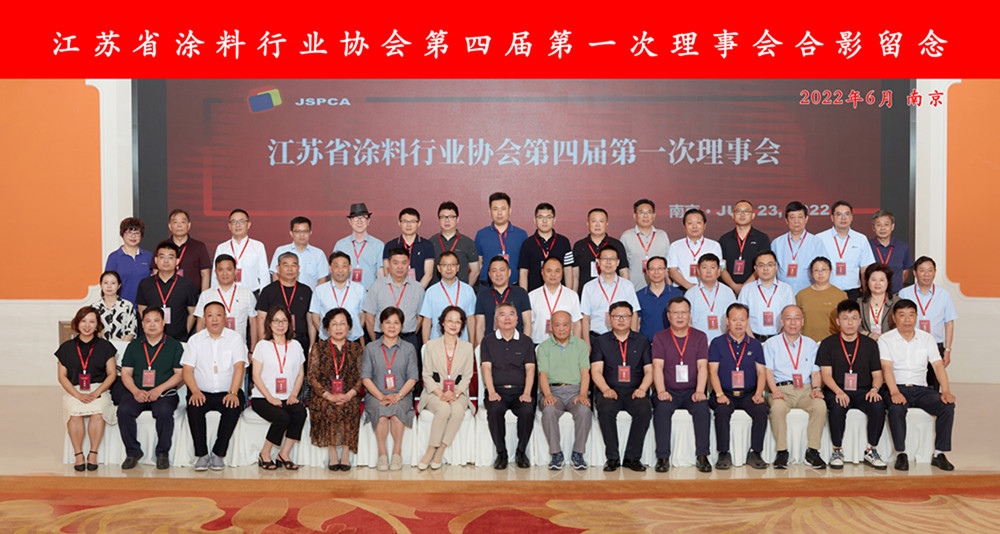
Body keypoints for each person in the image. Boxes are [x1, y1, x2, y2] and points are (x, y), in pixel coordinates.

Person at [878, 299, 957, 471]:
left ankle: (939, 453)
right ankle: (901, 453)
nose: (907, 319)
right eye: (902, 315)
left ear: (916, 317)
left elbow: (938, 365)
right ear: (894, 318)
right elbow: (886, 367)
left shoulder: (927, 338)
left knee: (947, 406)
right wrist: (894, 392)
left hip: (921, 389)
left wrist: (946, 391)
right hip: (896, 387)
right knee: (896, 408)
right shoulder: (885, 339)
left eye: (911, 315)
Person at [817, 300, 887, 470]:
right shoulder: (828, 344)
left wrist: (874, 389)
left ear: (860, 321)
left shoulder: (870, 344)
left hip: (864, 390)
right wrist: (838, 392)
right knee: (837, 405)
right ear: (838, 321)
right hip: (837, 389)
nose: (850, 323)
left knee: (877, 404)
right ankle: (837, 451)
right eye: (845, 318)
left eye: (854, 318)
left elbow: (878, 375)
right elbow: (826, 375)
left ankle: (871, 450)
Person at [181, 302, 247, 471]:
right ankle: (202, 454)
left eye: (218, 315)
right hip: (201, 392)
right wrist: (195, 391)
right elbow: (187, 370)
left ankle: (218, 453)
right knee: (194, 406)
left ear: (225, 317)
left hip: (228, 391)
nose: (214, 319)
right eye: (210, 315)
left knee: (233, 406)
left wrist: (233, 392)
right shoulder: (195, 340)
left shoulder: (235, 338)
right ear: (204, 318)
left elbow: (239, 367)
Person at [118, 308, 184, 470]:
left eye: (156, 320)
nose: (152, 325)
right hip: (138, 392)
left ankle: (162, 453)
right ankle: (133, 452)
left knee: (163, 411)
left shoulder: (175, 345)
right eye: (148, 321)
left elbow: (180, 375)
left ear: (163, 323)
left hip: (165, 394)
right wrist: (136, 391)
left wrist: (159, 390)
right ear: (142, 324)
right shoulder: (134, 346)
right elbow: (125, 373)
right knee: (124, 410)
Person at [651, 297, 712, 473]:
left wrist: (700, 391)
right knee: (662, 409)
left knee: (702, 408)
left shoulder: (700, 336)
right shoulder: (660, 337)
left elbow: (702, 366)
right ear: (668, 316)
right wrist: (661, 391)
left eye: (683, 312)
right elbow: (657, 367)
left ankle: (703, 455)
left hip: (692, 391)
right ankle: (663, 457)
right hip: (668, 391)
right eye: (675, 313)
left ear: (690, 315)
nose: (680, 316)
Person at [590, 301, 652, 472]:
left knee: (644, 409)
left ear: (632, 318)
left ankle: (633, 458)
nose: (621, 320)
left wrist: (642, 389)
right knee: (605, 409)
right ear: (610, 318)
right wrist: (605, 389)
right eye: (617, 316)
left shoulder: (642, 341)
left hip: (635, 390)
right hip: (609, 389)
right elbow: (596, 371)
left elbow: (649, 371)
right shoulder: (601, 341)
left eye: (625, 316)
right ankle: (612, 458)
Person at [764, 305, 826, 469]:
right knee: (777, 408)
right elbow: (768, 372)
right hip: (781, 390)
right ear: (782, 321)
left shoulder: (811, 344)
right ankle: (782, 452)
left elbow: (815, 372)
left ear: (802, 321)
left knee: (820, 406)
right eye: (789, 318)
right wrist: (774, 391)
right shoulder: (772, 343)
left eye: (797, 318)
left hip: (806, 390)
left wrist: (816, 389)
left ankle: (813, 451)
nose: (793, 322)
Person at [707, 303, 769, 470]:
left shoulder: (755, 345)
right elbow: (712, 371)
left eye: (742, 320)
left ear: (748, 321)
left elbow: (761, 372)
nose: (739, 324)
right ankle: (723, 453)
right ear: (727, 321)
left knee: (761, 410)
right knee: (722, 410)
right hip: (724, 393)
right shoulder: (717, 343)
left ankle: (755, 452)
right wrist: (719, 394)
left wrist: (759, 394)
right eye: (734, 320)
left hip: (748, 394)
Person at [56, 306, 118, 471]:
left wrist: (97, 392)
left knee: (98, 412)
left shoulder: (106, 347)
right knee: (74, 413)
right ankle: (78, 454)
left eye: (92, 321)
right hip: (74, 389)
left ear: (97, 325)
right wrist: (78, 395)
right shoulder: (66, 347)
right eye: (83, 321)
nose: (87, 325)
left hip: (99, 388)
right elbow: (62, 377)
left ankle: (93, 453)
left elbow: (112, 374)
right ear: (77, 323)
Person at [361, 307, 419, 471]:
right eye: (388, 322)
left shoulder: (408, 348)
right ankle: (382, 455)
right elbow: (365, 378)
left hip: (402, 395)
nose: (392, 326)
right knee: (380, 413)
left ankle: (396, 453)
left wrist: (398, 396)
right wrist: (381, 396)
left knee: (396, 413)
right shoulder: (371, 348)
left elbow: (412, 378)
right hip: (376, 395)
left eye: (396, 323)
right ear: (381, 325)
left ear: (401, 326)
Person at [417, 306, 475, 470]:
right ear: (442, 322)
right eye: (450, 320)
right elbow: (426, 375)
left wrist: (455, 394)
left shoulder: (467, 347)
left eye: (458, 321)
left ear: (462, 325)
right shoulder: (431, 345)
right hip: (434, 392)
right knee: (443, 408)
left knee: (457, 411)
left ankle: (441, 449)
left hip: (458, 393)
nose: (453, 324)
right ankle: (431, 449)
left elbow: (467, 376)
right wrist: (440, 393)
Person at [480, 302, 537, 469]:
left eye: (511, 314)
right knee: (495, 410)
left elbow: (530, 369)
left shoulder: (526, 341)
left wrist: (527, 393)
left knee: (527, 410)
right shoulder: (488, 341)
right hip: (497, 391)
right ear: (496, 320)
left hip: (520, 391)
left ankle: (521, 452)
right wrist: (491, 392)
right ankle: (501, 453)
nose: (507, 318)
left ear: (517, 319)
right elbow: (486, 368)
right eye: (502, 314)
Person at [251, 306, 307, 471]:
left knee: (300, 412)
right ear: (269, 323)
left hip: (287, 397)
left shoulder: (296, 345)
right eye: (276, 321)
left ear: (289, 323)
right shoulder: (262, 346)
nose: (280, 325)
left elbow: (300, 374)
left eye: (284, 321)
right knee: (282, 417)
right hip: (263, 398)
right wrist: (270, 398)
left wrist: (294, 394)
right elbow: (256, 376)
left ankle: (284, 454)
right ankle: (265, 454)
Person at [308, 308, 364, 471]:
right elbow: (311, 377)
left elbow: (362, 376)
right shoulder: (318, 348)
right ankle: (332, 452)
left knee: (351, 407)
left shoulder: (356, 348)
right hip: (324, 395)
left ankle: (345, 452)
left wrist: (350, 393)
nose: (338, 328)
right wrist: (328, 395)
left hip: (349, 394)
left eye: (342, 324)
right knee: (327, 407)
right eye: (334, 324)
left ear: (349, 327)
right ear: (327, 327)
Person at [536, 310, 592, 470]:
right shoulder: (544, 347)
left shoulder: (581, 345)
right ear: (551, 327)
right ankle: (556, 454)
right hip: (553, 391)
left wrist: (583, 394)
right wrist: (547, 394)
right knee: (549, 410)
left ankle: (578, 453)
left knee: (584, 410)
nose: (561, 329)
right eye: (557, 325)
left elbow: (585, 372)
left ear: (572, 326)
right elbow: (542, 374)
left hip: (576, 391)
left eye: (565, 325)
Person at [896, 256, 957, 390]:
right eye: (922, 270)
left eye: (930, 270)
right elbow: (897, 321)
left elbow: (949, 323)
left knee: (934, 384)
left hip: (935, 345)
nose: (926, 274)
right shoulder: (904, 293)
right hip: (911, 344)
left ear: (935, 272)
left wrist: (947, 349)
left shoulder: (943, 294)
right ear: (914, 273)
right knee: (912, 382)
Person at [363, 246, 426, 351]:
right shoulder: (377, 286)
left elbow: (420, 317)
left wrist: (410, 335)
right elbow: (369, 317)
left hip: (408, 339)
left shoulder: (418, 288)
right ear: (388, 264)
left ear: (408, 264)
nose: (400, 267)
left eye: (404, 263)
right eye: (395, 263)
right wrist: (377, 341)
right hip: (382, 339)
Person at [135, 241, 199, 342]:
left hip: (179, 340)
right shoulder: (145, 284)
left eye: (170, 257)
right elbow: (142, 309)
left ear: (177, 261)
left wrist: (185, 332)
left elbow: (193, 312)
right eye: (162, 257)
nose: (166, 261)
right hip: (152, 339)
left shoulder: (187, 284)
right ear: (156, 260)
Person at [580, 246, 641, 349]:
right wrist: (587, 343)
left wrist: (632, 341)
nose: (608, 262)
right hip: (596, 339)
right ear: (598, 262)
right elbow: (585, 317)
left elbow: (634, 313)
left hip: (622, 339)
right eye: (604, 258)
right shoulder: (589, 287)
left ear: (617, 262)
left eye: (612, 259)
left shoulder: (627, 285)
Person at [194, 254, 259, 346]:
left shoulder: (247, 293)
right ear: (215, 272)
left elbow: (253, 323)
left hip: (239, 347)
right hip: (212, 347)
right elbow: (200, 324)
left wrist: (252, 349)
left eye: (229, 269)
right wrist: (199, 347)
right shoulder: (206, 295)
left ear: (235, 271)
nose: (224, 273)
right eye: (220, 270)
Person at [256, 252, 314, 354]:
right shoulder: (268, 291)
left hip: (300, 340)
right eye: (286, 265)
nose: (290, 269)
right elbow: (261, 318)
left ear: (298, 268)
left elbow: (310, 319)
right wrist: (263, 343)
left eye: (293, 265)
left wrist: (312, 345)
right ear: (278, 268)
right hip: (274, 341)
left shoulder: (306, 291)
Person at [816, 201, 876, 300]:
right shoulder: (820, 238)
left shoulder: (861, 239)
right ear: (832, 217)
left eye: (847, 214)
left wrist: (866, 294)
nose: (843, 218)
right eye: (839, 214)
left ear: (851, 217)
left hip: (853, 293)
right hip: (827, 291)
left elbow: (865, 269)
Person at [309, 252, 366, 345]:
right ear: (330, 268)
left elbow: (363, 315)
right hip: (327, 342)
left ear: (350, 268)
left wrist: (355, 330)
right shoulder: (320, 290)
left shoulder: (360, 289)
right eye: (336, 266)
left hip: (353, 341)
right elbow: (315, 316)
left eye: (344, 266)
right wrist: (326, 333)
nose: (340, 270)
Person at [738, 250, 795, 342]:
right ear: (755, 268)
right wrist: (752, 340)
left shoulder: (786, 289)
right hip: (752, 338)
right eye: (761, 265)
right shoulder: (747, 289)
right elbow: (741, 317)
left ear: (776, 267)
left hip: (779, 338)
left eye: (770, 265)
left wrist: (780, 339)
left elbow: (791, 317)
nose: (765, 269)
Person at [419, 251, 477, 343]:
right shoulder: (431, 292)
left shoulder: (468, 290)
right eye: (445, 265)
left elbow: (471, 319)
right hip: (437, 344)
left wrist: (472, 344)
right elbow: (427, 321)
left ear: (458, 267)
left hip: (462, 343)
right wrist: (426, 346)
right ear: (439, 268)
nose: (449, 268)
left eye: (453, 265)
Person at [473, 256, 531, 346]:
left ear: (509, 272)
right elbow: (480, 326)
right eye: (494, 271)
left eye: (502, 270)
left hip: (517, 346)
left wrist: (525, 346)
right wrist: (481, 349)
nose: (498, 274)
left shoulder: (521, 293)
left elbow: (527, 323)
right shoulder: (483, 295)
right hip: (491, 346)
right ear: (489, 274)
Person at [772, 201, 826, 294]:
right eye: (792, 217)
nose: (796, 221)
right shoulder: (777, 243)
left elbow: (824, 268)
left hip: (809, 294)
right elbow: (771, 269)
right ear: (786, 220)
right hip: (782, 294)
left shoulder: (816, 242)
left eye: (800, 217)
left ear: (806, 219)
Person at [475, 191, 529, 285]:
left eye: (503, 209)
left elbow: (524, 266)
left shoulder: (521, 235)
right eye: (495, 209)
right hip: (487, 287)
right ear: (490, 211)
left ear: (509, 210)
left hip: (514, 287)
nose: (499, 213)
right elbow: (479, 263)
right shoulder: (481, 234)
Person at [719, 200, 771, 295]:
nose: (742, 215)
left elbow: (762, 266)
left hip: (755, 290)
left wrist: (745, 287)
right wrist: (734, 286)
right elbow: (722, 267)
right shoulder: (724, 239)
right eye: (738, 211)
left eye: (746, 211)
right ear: (733, 215)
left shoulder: (762, 238)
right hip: (729, 290)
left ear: (753, 215)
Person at [519, 202, 573, 292]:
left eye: (548, 217)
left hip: (559, 294)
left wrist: (568, 293)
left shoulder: (564, 242)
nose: (544, 221)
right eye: (540, 217)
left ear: (554, 220)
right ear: (535, 220)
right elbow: (523, 272)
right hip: (534, 294)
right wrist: (524, 296)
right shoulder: (527, 244)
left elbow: (568, 270)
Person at [212, 209, 270, 293]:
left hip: (251, 294)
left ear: (248, 224)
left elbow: (264, 275)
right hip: (227, 294)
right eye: (234, 222)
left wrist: (263, 297)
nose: (237, 225)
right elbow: (215, 275)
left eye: (241, 221)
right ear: (229, 226)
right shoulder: (221, 248)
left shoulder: (258, 246)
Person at [572, 208, 630, 292]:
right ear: (588, 224)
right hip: (586, 294)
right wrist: (574, 296)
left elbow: (624, 272)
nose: (597, 225)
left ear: (607, 224)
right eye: (594, 221)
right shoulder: (579, 246)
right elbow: (575, 276)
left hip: (612, 293)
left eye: (601, 221)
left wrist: (626, 292)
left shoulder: (617, 245)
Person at [528, 257, 583, 344]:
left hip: (566, 345)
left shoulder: (572, 295)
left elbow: (576, 324)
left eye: (557, 271)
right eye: (549, 271)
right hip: (539, 344)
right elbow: (528, 324)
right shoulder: (532, 296)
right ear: (542, 272)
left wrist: (576, 346)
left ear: (562, 273)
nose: (553, 274)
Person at [332, 203, 385, 290]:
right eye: (355, 218)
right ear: (350, 221)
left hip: (369, 293)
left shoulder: (378, 245)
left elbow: (381, 274)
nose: (359, 222)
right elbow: (334, 271)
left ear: (368, 221)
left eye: (363, 218)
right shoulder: (340, 245)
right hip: (346, 293)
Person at [667, 208, 724, 290]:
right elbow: (672, 271)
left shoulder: (714, 245)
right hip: (682, 289)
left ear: (704, 225)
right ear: (684, 226)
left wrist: (704, 287)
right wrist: (689, 286)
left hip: (708, 289)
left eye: (698, 223)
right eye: (690, 223)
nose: (694, 226)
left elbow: (719, 269)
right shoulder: (675, 246)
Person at [684, 254, 736, 343]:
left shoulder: (728, 292)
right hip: (698, 343)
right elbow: (687, 322)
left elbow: (734, 317)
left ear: (719, 270)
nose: (708, 271)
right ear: (698, 271)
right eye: (704, 268)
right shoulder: (690, 294)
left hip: (724, 342)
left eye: (712, 267)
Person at [620, 199, 669, 291]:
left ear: (654, 215)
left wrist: (669, 286)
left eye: (649, 212)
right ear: (635, 216)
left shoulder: (662, 235)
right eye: (641, 212)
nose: (645, 216)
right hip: (634, 289)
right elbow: (622, 267)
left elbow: (668, 265)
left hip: (660, 290)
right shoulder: (626, 236)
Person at [268, 216, 328, 291]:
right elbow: (276, 275)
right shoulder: (281, 251)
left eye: (305, 231)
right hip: (285, 296)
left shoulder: (319, 254)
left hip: (311, 296)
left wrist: (314, 296)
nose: (302, 235)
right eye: (297, 231)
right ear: (291, 233)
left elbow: (322, 279)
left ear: (310, 233)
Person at [383, 207, 436, 288]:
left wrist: (416, 292)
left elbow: (428, 274)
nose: (408, 225)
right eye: (405, 221)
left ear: (419, 223)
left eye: (412, 222)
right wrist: (397, 291)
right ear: (399, 223)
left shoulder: (427, 245)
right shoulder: (390, 245)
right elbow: (387, 272)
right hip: (396, 292)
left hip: (420, 291)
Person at [796, 257, 847, 341]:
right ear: (811, 273)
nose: (820, 273)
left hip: (832, 341)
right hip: (806, 341)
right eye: (816, 270)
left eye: (824, 269)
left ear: (830, 271)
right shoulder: (801, 295)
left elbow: (845, 322)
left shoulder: (841, 295)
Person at [429, 201, 480, 285]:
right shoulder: (431, 242)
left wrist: (466, 289)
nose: (447, 220)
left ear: (457, 219)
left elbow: (475, 271)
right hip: (437, 291)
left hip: (460, 291)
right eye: (443, 217)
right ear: (438, 219)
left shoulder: (468, 243)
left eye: (451, 217)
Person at [105, 217, 152, 305]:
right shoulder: (114, 257)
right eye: (129, 232)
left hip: (145, 306)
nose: (133, 236)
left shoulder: (148, 256)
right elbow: (108, 284)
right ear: (122, 234)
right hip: (121, 307)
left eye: (136, 233)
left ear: (141, 235)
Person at [637, 256, 684, 342]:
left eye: (660, 268)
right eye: (652, 269)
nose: (656, 272)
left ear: (665, 271)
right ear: (647, 272)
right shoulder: (639, 295)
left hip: (671, 343)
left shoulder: (676, 294)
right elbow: (637, 323)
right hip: (646, 344)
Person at [165, 208, 211, 291]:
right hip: (167, 294)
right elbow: (156, 272)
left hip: (193, 295)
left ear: (189, 225)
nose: (179, 225)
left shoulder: (199, 246)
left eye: (183, 222)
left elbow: (205, 274)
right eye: (175, 222)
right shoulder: (162, 246)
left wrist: (204, 297)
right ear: (170, 226)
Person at [869, 209, 913, 295]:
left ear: (892, 226)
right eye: (879, 225)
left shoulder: (903, 247)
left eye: (886, 224)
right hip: (873, 295)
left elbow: (905, 272)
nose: (882, 228)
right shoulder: (866, 246)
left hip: (895, 294)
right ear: (873, 227)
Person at [93, 270, 137, 341]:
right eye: (106, 283)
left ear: (119, 285)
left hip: (123, 346)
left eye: (113, 283)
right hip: (100, 347)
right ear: (101, 285)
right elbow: (93, 332)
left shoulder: (127, 306)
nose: (109, 286)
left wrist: (120, 346)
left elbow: (131, 332)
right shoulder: (95, 307)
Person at [857, 263, 897, 340]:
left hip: (890, 341)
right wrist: (869, 335)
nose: (877, 283)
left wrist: (883, 337)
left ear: (888, 282)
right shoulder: (860, 302)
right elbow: (856, 325)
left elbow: (900, 325)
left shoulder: (896, 302)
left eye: (881, 280)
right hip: (867, 341)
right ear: (867, 282)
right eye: (873, 280)